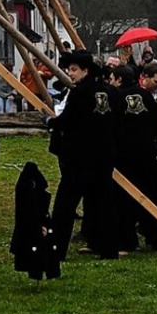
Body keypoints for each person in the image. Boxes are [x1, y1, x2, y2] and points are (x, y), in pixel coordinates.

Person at [49, 50, 119, 261]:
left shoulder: (80, 93)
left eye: (74, 70)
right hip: (104, 156)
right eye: (69, 69)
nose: (70, 74)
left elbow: (68, 120)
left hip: (80, 158)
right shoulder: (108, 92)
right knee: (102, 204)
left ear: (85, 70)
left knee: (65, 205)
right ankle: (108, 248)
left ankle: (57, 249)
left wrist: (51, 122)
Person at [110, 64, 157, 252]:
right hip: (147, 154)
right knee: (152, 196)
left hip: (125, 156)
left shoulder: (116, 98)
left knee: (123, 200)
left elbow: (112, 129)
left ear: (119, 79)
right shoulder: (147, 97)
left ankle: (127, 241)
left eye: (112, 79)